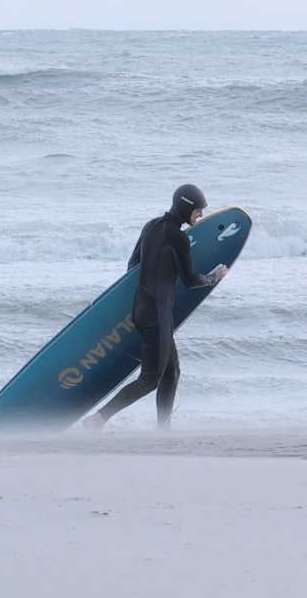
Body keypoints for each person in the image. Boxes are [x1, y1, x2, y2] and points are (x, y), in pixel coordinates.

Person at [82, 184, 228, 431]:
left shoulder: (151, 227)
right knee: (150, 380)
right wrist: (214, 277)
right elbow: (191, 280)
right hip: (158, 315)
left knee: (172, 373)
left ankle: (163, 430)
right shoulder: (178, 237)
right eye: (198, 211)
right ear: (186, 208)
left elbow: (132, 266)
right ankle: (98, 419)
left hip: (142, 310)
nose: (201, 216)